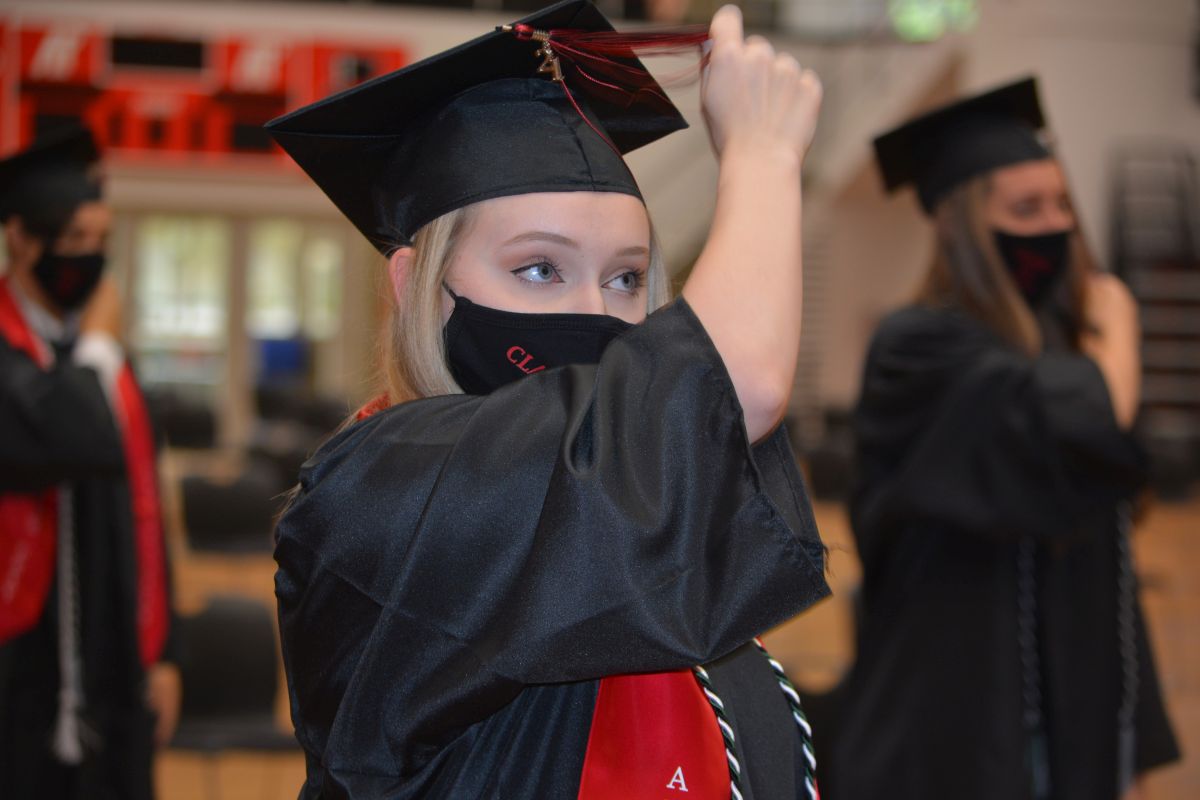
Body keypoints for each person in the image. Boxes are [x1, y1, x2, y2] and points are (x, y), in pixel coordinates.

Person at [269, 1, 829, 797]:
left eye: (626, 277)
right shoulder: (383, 492)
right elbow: (738, 389)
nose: (594, 314)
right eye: (539, 269)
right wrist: (763, 156)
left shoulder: (649, 507)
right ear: (417, 284)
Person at [830, 78, 1180, 799]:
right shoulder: (918, 348)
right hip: (950, 705)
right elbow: (1079, 416)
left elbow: (1109, 552)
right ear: (958, 226)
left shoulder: (1062, 345)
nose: (1054, 226)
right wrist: (1118, 324)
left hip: (1074, 699)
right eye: (1026, 209)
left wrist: (1133, 736)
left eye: (1061, 205)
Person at [0, 126, 179, 800]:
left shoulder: (111, 370)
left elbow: (148, 516)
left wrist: (165, 653)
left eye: (102, 240)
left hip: (113, 663)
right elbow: (65, 436)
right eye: (75, 238)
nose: (91, 259)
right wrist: (99, 344)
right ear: (21, 238)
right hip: (18, 668)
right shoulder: (40, 356)